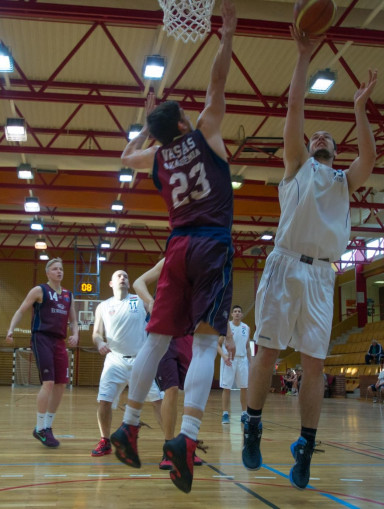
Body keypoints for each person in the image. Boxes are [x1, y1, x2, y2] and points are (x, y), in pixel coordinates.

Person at [241, 24, 377, 490]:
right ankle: (253, 424)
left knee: (315, 364)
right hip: (284, 264)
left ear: (335, 151)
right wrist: (303, 56)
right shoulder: (297, 166)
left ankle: (306, 443)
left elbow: (369, 158)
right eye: (314, 135)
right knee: (268, 351)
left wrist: (359, 109)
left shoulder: (343, 181)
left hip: (321, 276)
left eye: (326, 137)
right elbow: (295, 108)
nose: (318, 136)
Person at [110, 0, 236, 495]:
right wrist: (227, 35)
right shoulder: (205, 132)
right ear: (185, 123)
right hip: (211, 245)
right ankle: (187, 436)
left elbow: (125, 156)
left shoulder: (158, 158)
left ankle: (128, 425)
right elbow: (217, 82)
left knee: (156, 340)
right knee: (204, 343)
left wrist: (150, 126)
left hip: (177, 247)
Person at [132, 258, 202, 469]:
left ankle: (188, 444)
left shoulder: (204, 262)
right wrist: (150, 301)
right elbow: (138, 282)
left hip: (188, 334)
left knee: (191, 391)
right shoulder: (170, 259)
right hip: (163, 332)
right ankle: (169, 447)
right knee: (170, 389)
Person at [6, 258, 78, 448]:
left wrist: (76, 334)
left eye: (61, 269)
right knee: (49, 382)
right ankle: (39, 428)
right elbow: (21, 310)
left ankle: (47, 426)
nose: (59, 271)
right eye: (55, 269)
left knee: (61, 384)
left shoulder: (68, 295)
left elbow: (73, 321)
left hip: (59, 342)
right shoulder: (39, 290)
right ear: (47, 273)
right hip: (42, 338)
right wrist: (11, 329)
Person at [91, 269, 163, 458]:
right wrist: (99, 343)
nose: (123, 277)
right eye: (118, 276)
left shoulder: (139, 300)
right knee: (104, 401)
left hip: (140, 360)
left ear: (129, 283)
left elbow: (156, 310)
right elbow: (96, 333)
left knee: (158, 401)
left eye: (126, 276)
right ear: (111, 283)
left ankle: (170, 441)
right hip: (114, 360)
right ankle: (105, 441)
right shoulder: (103, 306)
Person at [218, 305, 251, 424]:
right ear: (232, 314)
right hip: (229, 360)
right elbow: (217, 344)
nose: (237, 313)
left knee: (244, 387)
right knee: (227, 388)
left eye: (239, 311)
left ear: (242, 314)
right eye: (235, 311)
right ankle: (225, 414)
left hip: (242, 360)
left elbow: (247, 347)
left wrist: (251, 363)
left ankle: (244, 413)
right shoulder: (226, 327)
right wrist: (224, 356)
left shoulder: (246, 328)